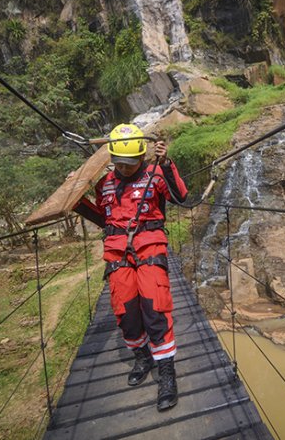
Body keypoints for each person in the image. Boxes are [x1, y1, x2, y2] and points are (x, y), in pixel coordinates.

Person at [74, 123, 188, 411]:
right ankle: (141, 357)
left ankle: (166, 374)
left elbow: (180, 197)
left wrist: (168, 163)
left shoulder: (155, 174)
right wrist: (76, 200)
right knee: (125, 311)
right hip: (117, 253)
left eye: (131, 163)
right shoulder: (105, 184)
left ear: (141, 157)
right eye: (120, 164)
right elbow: (103, 218)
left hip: (150, 248)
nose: (125, 169)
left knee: (155, 309)